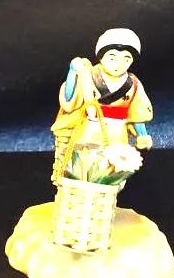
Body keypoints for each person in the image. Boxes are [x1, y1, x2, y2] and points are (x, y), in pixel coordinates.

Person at [50, 28, 153, 180]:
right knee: (84, 164)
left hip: (117, 132)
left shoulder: (134, 84)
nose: (119, 64)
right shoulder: (87, 76)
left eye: (126, 59)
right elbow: (69, 100)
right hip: (89, 128)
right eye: (112, 57)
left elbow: (138, 113)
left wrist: (142, 136)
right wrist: (72, 73)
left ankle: (106, 189)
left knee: (112, 167)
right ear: (101, 57)